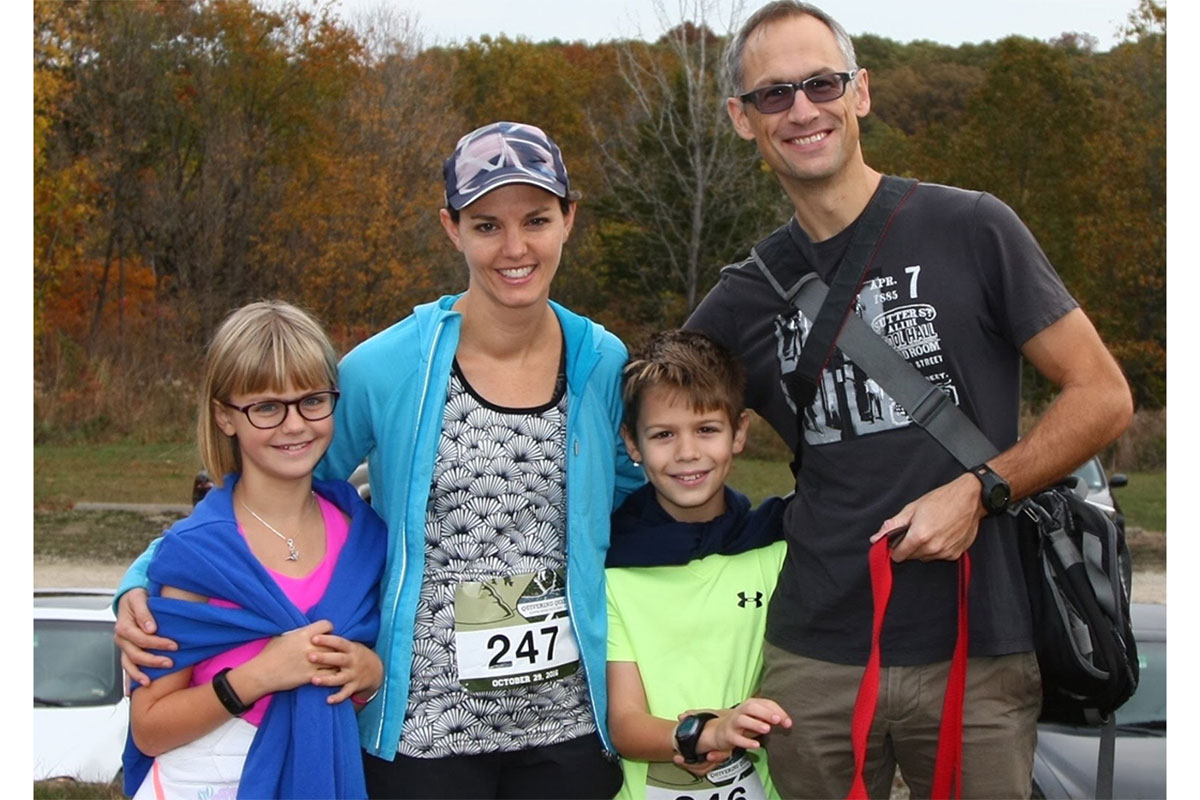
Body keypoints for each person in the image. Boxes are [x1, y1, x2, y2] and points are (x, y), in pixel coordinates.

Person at [684, 3, 1134, 798]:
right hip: (815, 656)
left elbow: (1102, 396)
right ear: (742, 119)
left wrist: (982, 489)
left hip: (978, 642)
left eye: (821, 83)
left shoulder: (972, 227)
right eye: (773, 95)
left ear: (860, 92)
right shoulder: (741, 300)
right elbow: (651, 423)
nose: (801, 110)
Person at [115, 122, 640, 799]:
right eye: (486, 226)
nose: (515, 248)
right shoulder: (386, 367)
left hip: (564, 728)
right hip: (424, 730)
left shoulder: (602, 363)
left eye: (536, 220)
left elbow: (631, 491)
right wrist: (141, 574)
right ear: (452, 228)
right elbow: (277, 483)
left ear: (569, 219)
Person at [121, 300, 388, 799]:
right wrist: (259, 675)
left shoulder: (365, 538)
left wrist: (370, 675)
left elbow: (366, 689)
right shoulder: (197, 555)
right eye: (267, 407)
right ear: (225, 416)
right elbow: (150, 727)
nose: (294, 425)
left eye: (312, 400)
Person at [604, 330, 791, 800]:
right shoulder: (612, 568)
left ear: (740, 432)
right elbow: (625, 724)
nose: (687, 453)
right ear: (632, 443)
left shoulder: (776, 547)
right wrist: (703, 733)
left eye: (706, 429)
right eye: (664, 434)